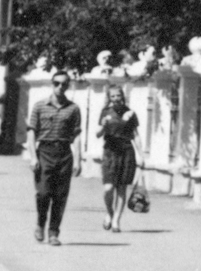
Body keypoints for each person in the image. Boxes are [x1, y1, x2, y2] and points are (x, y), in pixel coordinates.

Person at [26, 73, 85, 246]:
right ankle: (40, 223)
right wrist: (33, 157)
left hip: (64, 153)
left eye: (64, 84)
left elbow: (77, 135)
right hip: (45, 151)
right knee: (43, 193)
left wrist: (78, 160)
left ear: (68, 86)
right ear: (52, 84)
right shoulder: (39, 106)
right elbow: (31, 132)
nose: (60, 87)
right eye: (57, 83)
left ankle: (53, 233)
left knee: (60, 195)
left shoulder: (73, 108)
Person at [97, 92, 140, 232]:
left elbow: (136, 135)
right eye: (113, 96)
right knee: (108, 188)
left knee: (121, 188)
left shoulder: (130, 113)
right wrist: (103, 126)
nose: (116, 99)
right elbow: (97, 134)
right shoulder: (105, 112)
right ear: (110, 98)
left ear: (123, 97)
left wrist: (141, 155)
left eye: (118, 96)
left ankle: (116, 220)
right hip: (110, 152)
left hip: (126, 152)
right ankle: (110, 212)